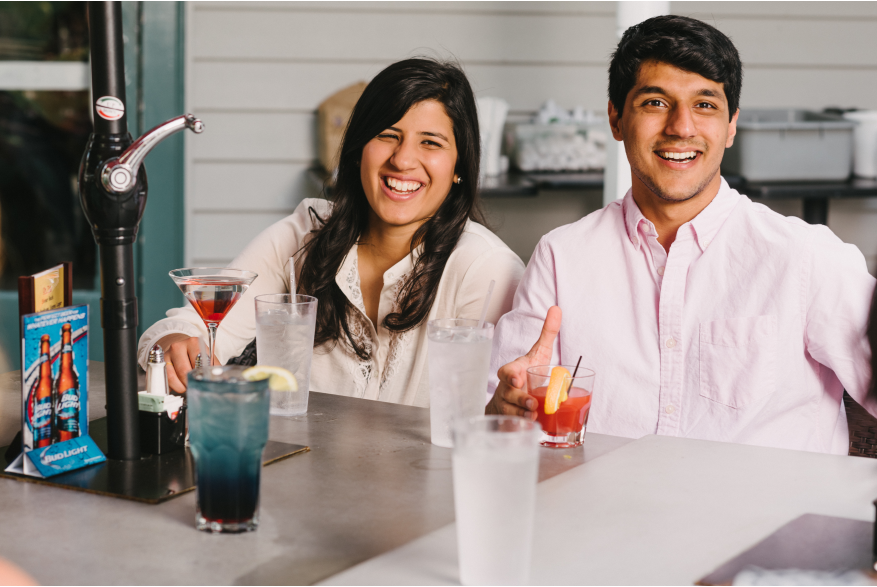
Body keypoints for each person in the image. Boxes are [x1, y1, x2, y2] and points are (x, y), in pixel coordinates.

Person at [487, 15, 877, 454]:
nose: (681, 127)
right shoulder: (562, 257)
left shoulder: (806, 258)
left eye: (706, 105)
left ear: (731, 126)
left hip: (770, 521)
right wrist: (506, 411)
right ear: (616, 118)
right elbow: (501, 420)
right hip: (603, 517)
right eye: (655, 103)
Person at [138, 58, 524, 406]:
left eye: (430, 142)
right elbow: (187, 329)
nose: (403, 159)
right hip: (297, 474)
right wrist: (173, 345)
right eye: (388, 135)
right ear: (359, 149)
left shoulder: (485, 269)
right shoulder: (305, 233)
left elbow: (492, 417)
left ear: (460, 165)